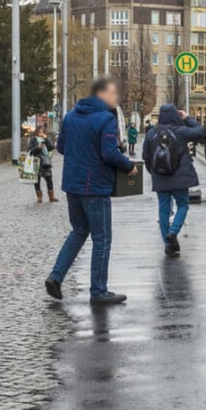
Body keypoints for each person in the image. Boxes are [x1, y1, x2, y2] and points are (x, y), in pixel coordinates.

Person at [44, 76, 136, 306]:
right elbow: (109, 153)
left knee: (78, 231)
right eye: (114, 94)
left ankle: (56, 277)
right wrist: (130, 166)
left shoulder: (71, 116)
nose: (116, 98)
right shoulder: (105, 119)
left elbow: (62, 147)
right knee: (102, 239)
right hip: (94, 187)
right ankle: (98, 291)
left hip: (72, 186)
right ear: (102, 94)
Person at [143, 104, 205, 256]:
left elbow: (146, 156)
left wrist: (154, 173)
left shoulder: (151, 133)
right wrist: (187, 118)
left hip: (160, 178)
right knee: (183, 205)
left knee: (163, 211)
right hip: (180, 178)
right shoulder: (180, 132)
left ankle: (167, 244)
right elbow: (200, 131)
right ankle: (173, 231)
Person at [27, 125, 58, 203]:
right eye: (39, 131)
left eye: (42, 132)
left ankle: (51, 196)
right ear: (36, 132)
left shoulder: (46, 139)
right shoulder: (33, 140)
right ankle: (39, 197)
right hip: (37, 162)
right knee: (37, 180)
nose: (41, 133)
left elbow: (51, 147)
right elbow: (30, 152)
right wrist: (38, 147)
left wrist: (46, 139)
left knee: (49, 179)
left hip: (46, 162)